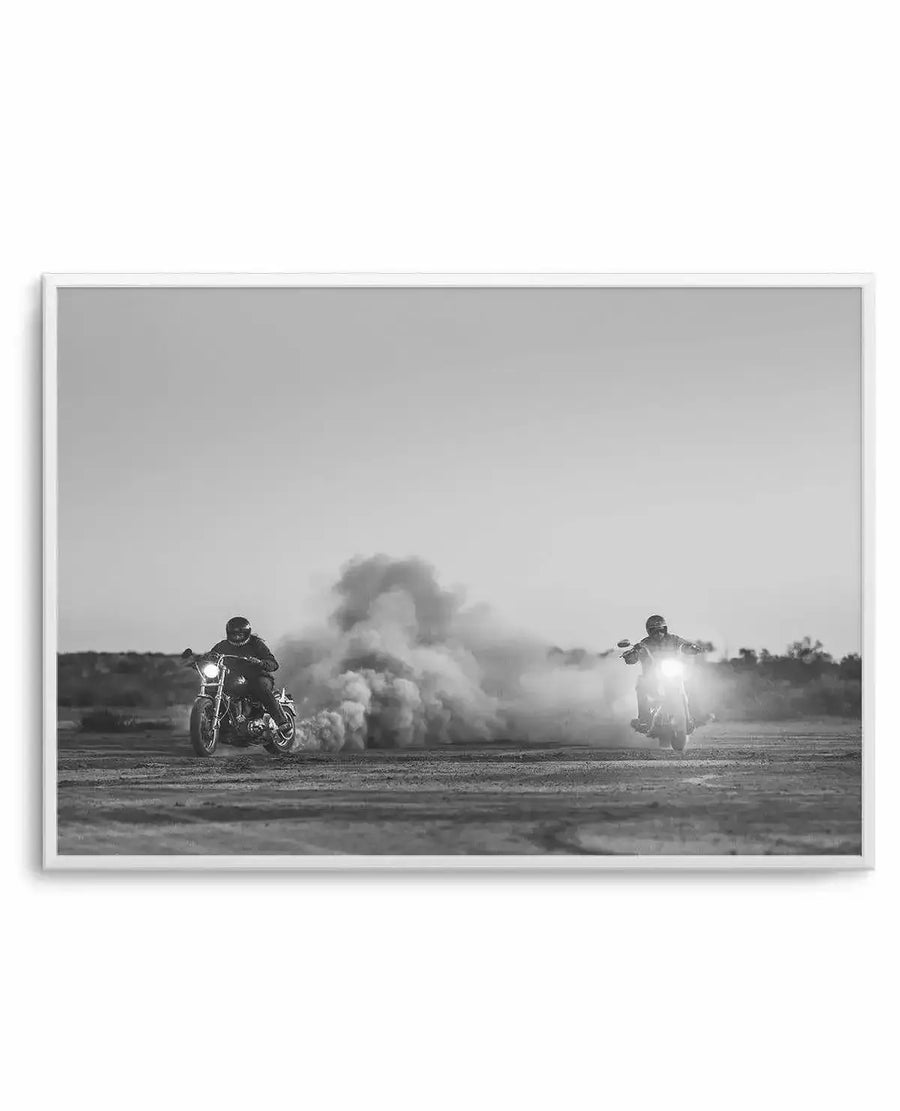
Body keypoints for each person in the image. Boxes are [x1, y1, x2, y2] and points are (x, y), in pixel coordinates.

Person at [204, 616, 293, 739]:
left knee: (259, 686)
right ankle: (222, 724)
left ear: (246, 634)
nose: (236, 637)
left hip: (259, 677)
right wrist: (197, 660)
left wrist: (261, 663)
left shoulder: (256, 644)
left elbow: (273, 663)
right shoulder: (222, 646)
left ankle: (282, 722)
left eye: (240, 635)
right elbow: (210, 655)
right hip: (234, 678)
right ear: (228, 633)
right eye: (233, 634)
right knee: (213, 686)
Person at [623, 614, 701, 731]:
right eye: (654, 630)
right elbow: (633, 657)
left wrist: (692, 648)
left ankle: (688, 718)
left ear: (665, 629)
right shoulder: (644, 643)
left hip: (671, 672)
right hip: (651, 676)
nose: (658, 633)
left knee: (686, 685)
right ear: (649, 631)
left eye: (661, 630)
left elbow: (684, 645)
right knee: (641, 685)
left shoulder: (674, 639)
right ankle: (643, 719)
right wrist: (631, 654)